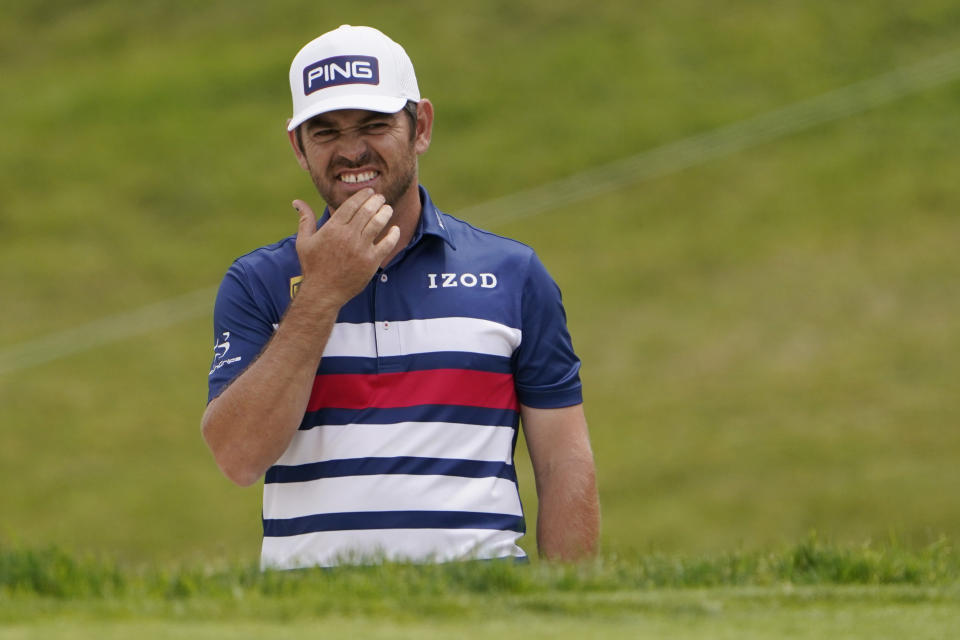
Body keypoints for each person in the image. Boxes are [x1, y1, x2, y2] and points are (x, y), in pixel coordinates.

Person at [201, 24, 599, 569]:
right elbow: (238, 457)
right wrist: (320, 295)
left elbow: (563, 461)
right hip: (309, 617)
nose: (351, 150)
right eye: (325, 132)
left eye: (374, 124)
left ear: (421, 127)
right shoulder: (257, 283)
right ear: (298, 146)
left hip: (486, 611)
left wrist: (573, 611)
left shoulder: (513, 274)